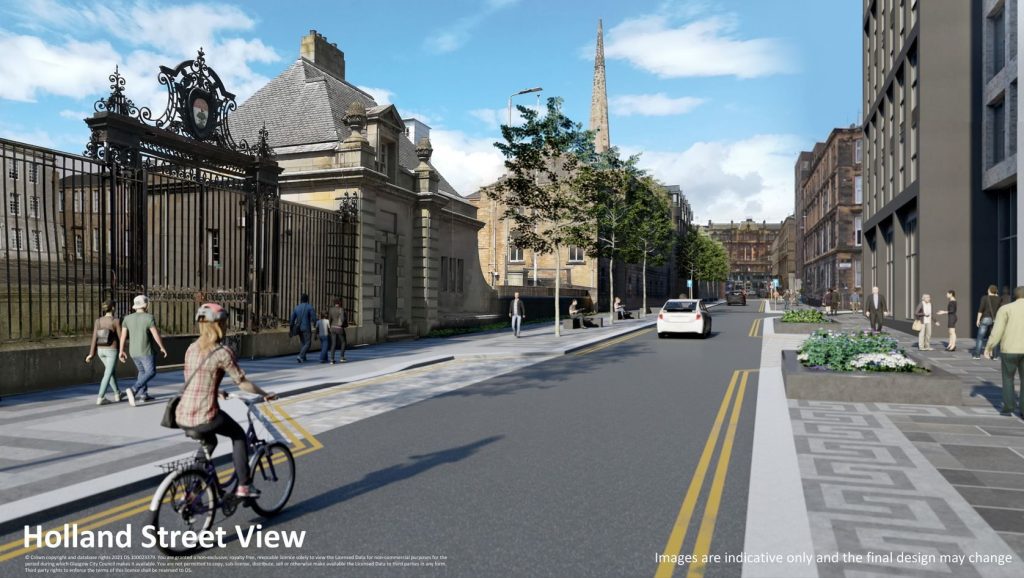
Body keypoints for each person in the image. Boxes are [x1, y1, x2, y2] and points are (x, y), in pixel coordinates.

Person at [176, 303, 277, 498]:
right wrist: (264, 394)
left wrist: (217, 389)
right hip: (205, 414)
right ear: (220, 324)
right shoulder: (222, 352)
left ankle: (195, 486)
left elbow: (193, 379)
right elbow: (243, 384)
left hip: (182, 414)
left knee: (209, 441)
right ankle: (245, 486)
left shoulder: (191, 349)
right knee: (238, 435)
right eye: (224, 323)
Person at [119, 295, 168, 406]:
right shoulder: (148, 317)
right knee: (151, 372)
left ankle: (143, 395)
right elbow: (155, 334)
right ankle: (133, 389)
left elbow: (122, 336)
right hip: (146, 350)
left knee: (142, 372)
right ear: (146, 304)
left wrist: (121, 351)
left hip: (133, 352)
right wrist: (162, 347)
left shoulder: (127, 318)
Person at [984, 286, 1024, 416]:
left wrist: (989, 347)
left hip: (1009, 350)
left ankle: (1008, 408)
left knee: (1008, 379)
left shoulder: (1005, 309)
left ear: (1014, 296)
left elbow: (997, 331)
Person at [86, 300, 125, 405]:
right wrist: (122, 351)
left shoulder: (98, 321)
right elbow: (121, 338)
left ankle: (117, 393)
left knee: (110, 372)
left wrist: (91, 354)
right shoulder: (115, 321)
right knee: (108, 373)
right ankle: (101, 397)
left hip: (100, 350)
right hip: (112, 350)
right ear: (113, 308)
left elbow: (94, 337)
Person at [974, 285, 1002, 359]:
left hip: (985, 318)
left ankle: (977, 355)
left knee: (980, 337)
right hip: (995, 319)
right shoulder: (999, 299)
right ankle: (995, 356)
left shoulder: (984, 298)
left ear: (989, 290)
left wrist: (978, 320)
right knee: (994, 337)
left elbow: (981, 309)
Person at [289, 294, 317, 363]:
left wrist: (291, 329)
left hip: (299, 328)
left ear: (301, 300)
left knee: (302, 342)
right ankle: (301, 355)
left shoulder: (297, 307)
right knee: (308, 343)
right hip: (306, 327)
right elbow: (314, 318)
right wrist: (315, 323)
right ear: (307, 300)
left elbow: (292, 319)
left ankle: (303, 358)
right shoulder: (309, 307)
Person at [327, 298, 348, 363]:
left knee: (333, 343)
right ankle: (342, 357)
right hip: (339, 328)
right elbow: (343, 319)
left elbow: (329, 319)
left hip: (332, 327)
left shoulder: (331, 309)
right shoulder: (341, 309)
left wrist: (329, 328)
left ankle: (332, 359)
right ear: (339, 303)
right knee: (343, 342)